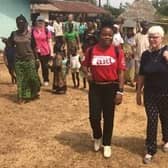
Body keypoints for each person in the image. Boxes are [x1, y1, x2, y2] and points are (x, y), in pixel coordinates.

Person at [82, 22, 125, 158]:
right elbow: (84, 65)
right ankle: (97, 136)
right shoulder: (91, 50)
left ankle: (107, 144)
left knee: (108, 117)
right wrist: (87, 73)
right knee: (94, 117)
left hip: (111, 87)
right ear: (99, 36)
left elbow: (121, 72)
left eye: (110, 35)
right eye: (104, 35)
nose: (107, 37)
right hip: (95, 87)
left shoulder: (117, 51)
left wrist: (120, 91)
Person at [136, 26, 168, 164]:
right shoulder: (145, 55)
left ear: (161, 38)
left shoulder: (167, 52)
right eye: (150, 37)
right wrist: (138, 92)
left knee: (166, 117)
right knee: (152, 120)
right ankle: (150, 149)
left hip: (166, 92)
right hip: (149, 93)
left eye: (155, 37)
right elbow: (142, 74)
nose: (152, 39)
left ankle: (166, 139)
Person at [8, 14, 40, 103]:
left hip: (29, 59)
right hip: (18, 60)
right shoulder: (13, 34)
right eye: (18, 23)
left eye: (22, 23)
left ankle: (34, 93)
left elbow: (34, 47)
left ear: (25, 24)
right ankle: (23, 97)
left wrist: (37, 59)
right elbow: (10, 44)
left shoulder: (30, 34)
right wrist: (7, 42)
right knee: (21, 80)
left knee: (32, 78)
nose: (20, 25)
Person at [32, 15, 54, 86]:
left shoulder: (47, 31)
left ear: (44, 22)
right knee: (35, 67)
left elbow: (50, 42)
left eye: (42, 21)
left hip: (45, 51)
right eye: (39, 21)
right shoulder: (32, 31)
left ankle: (46, 80)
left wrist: (52, 53)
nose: (40, 23)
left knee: (45, 67)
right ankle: (37, 80)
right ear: (36, 22)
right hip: (35, 52)